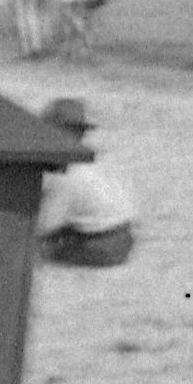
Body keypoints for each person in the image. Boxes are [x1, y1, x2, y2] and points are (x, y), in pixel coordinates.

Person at [32, 100, 137, 267]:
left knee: (30, 252)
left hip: (101, 246)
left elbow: (44, 227)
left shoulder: (68, 173)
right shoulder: (94, 161)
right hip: (124, 236)